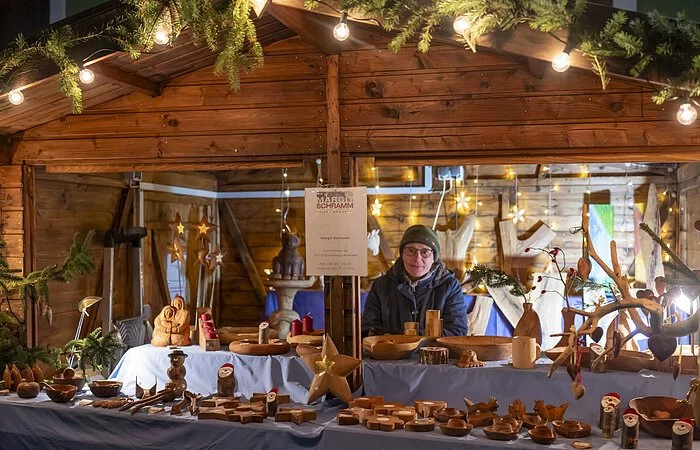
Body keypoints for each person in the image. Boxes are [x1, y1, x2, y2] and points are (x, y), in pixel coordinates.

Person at [362, 224, 468, 337]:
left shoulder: (450, 287)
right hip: (389, 354)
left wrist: (411, 340)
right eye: (411, 250)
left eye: (425, 252)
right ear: (402, 254)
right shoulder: (381, 286)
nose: (417, 258)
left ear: (434, 258)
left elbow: (457, 331)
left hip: (434, 354)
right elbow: (368, 329)